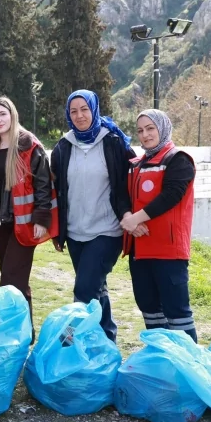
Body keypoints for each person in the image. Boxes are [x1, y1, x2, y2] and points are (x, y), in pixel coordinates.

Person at [50, 89, 136, 342]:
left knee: (84, 289)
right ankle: (106, 338)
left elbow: (126, 182)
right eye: (73, 111)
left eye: (84, 109)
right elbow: (58, 192)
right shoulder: (63, 147)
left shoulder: (113, 142)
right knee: (97, 287)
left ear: (95, 109)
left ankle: (68, 340)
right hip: (76, 232)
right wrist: (58, 230)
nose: (79, 116)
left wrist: (132, 215)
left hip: (107, 230)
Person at [120, 109, 198, 342]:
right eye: (140, 131)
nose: (145, 135)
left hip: (168, 251)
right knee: (149, 308)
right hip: (140, 250)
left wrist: (137, 218)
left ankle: (189, 367)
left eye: (150, 128)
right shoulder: (135, 164)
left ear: (163, 128)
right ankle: (160, 361)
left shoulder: (178, 159)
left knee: (177, 312)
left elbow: (172, 194)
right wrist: (129, 220)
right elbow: (123, 196)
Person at [0, 96, 57, 340]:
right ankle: (25, 333)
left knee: (10, 281)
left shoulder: (28, 145)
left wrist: (41, 219)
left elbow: (43, 184)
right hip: (0, 224)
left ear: (12, 114)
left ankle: (13, 334)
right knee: (16, 281)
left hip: (23, 223)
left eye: (2, 114)